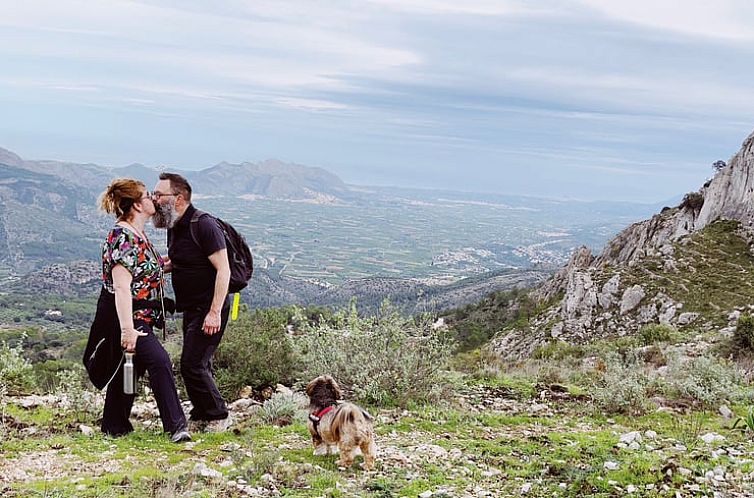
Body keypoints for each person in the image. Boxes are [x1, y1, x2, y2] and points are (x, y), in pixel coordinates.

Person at [95, 178, 191, 442]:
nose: (153, 199)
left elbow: (146, 269)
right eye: (148, 196)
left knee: (129, 367)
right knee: (159, 361)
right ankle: (176, 427)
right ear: (137, 205)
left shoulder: (138, 234)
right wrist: (127, 329)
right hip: (132, 316)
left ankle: (114, 426)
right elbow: (123, 287)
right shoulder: (122, 237)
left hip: (142, 315)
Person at [152, 173, 232, 430]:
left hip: (209, 307)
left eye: (159, 195)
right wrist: (162, 267)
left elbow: (224, 270)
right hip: (191, 306)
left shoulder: (204, 224)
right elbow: (185, 259)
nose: (154, 200)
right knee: (197, 363)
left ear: (178, 198)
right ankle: (202, 414)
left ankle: (218, 416)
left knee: (192, 364)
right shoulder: (175, 226)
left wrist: (215, 312)